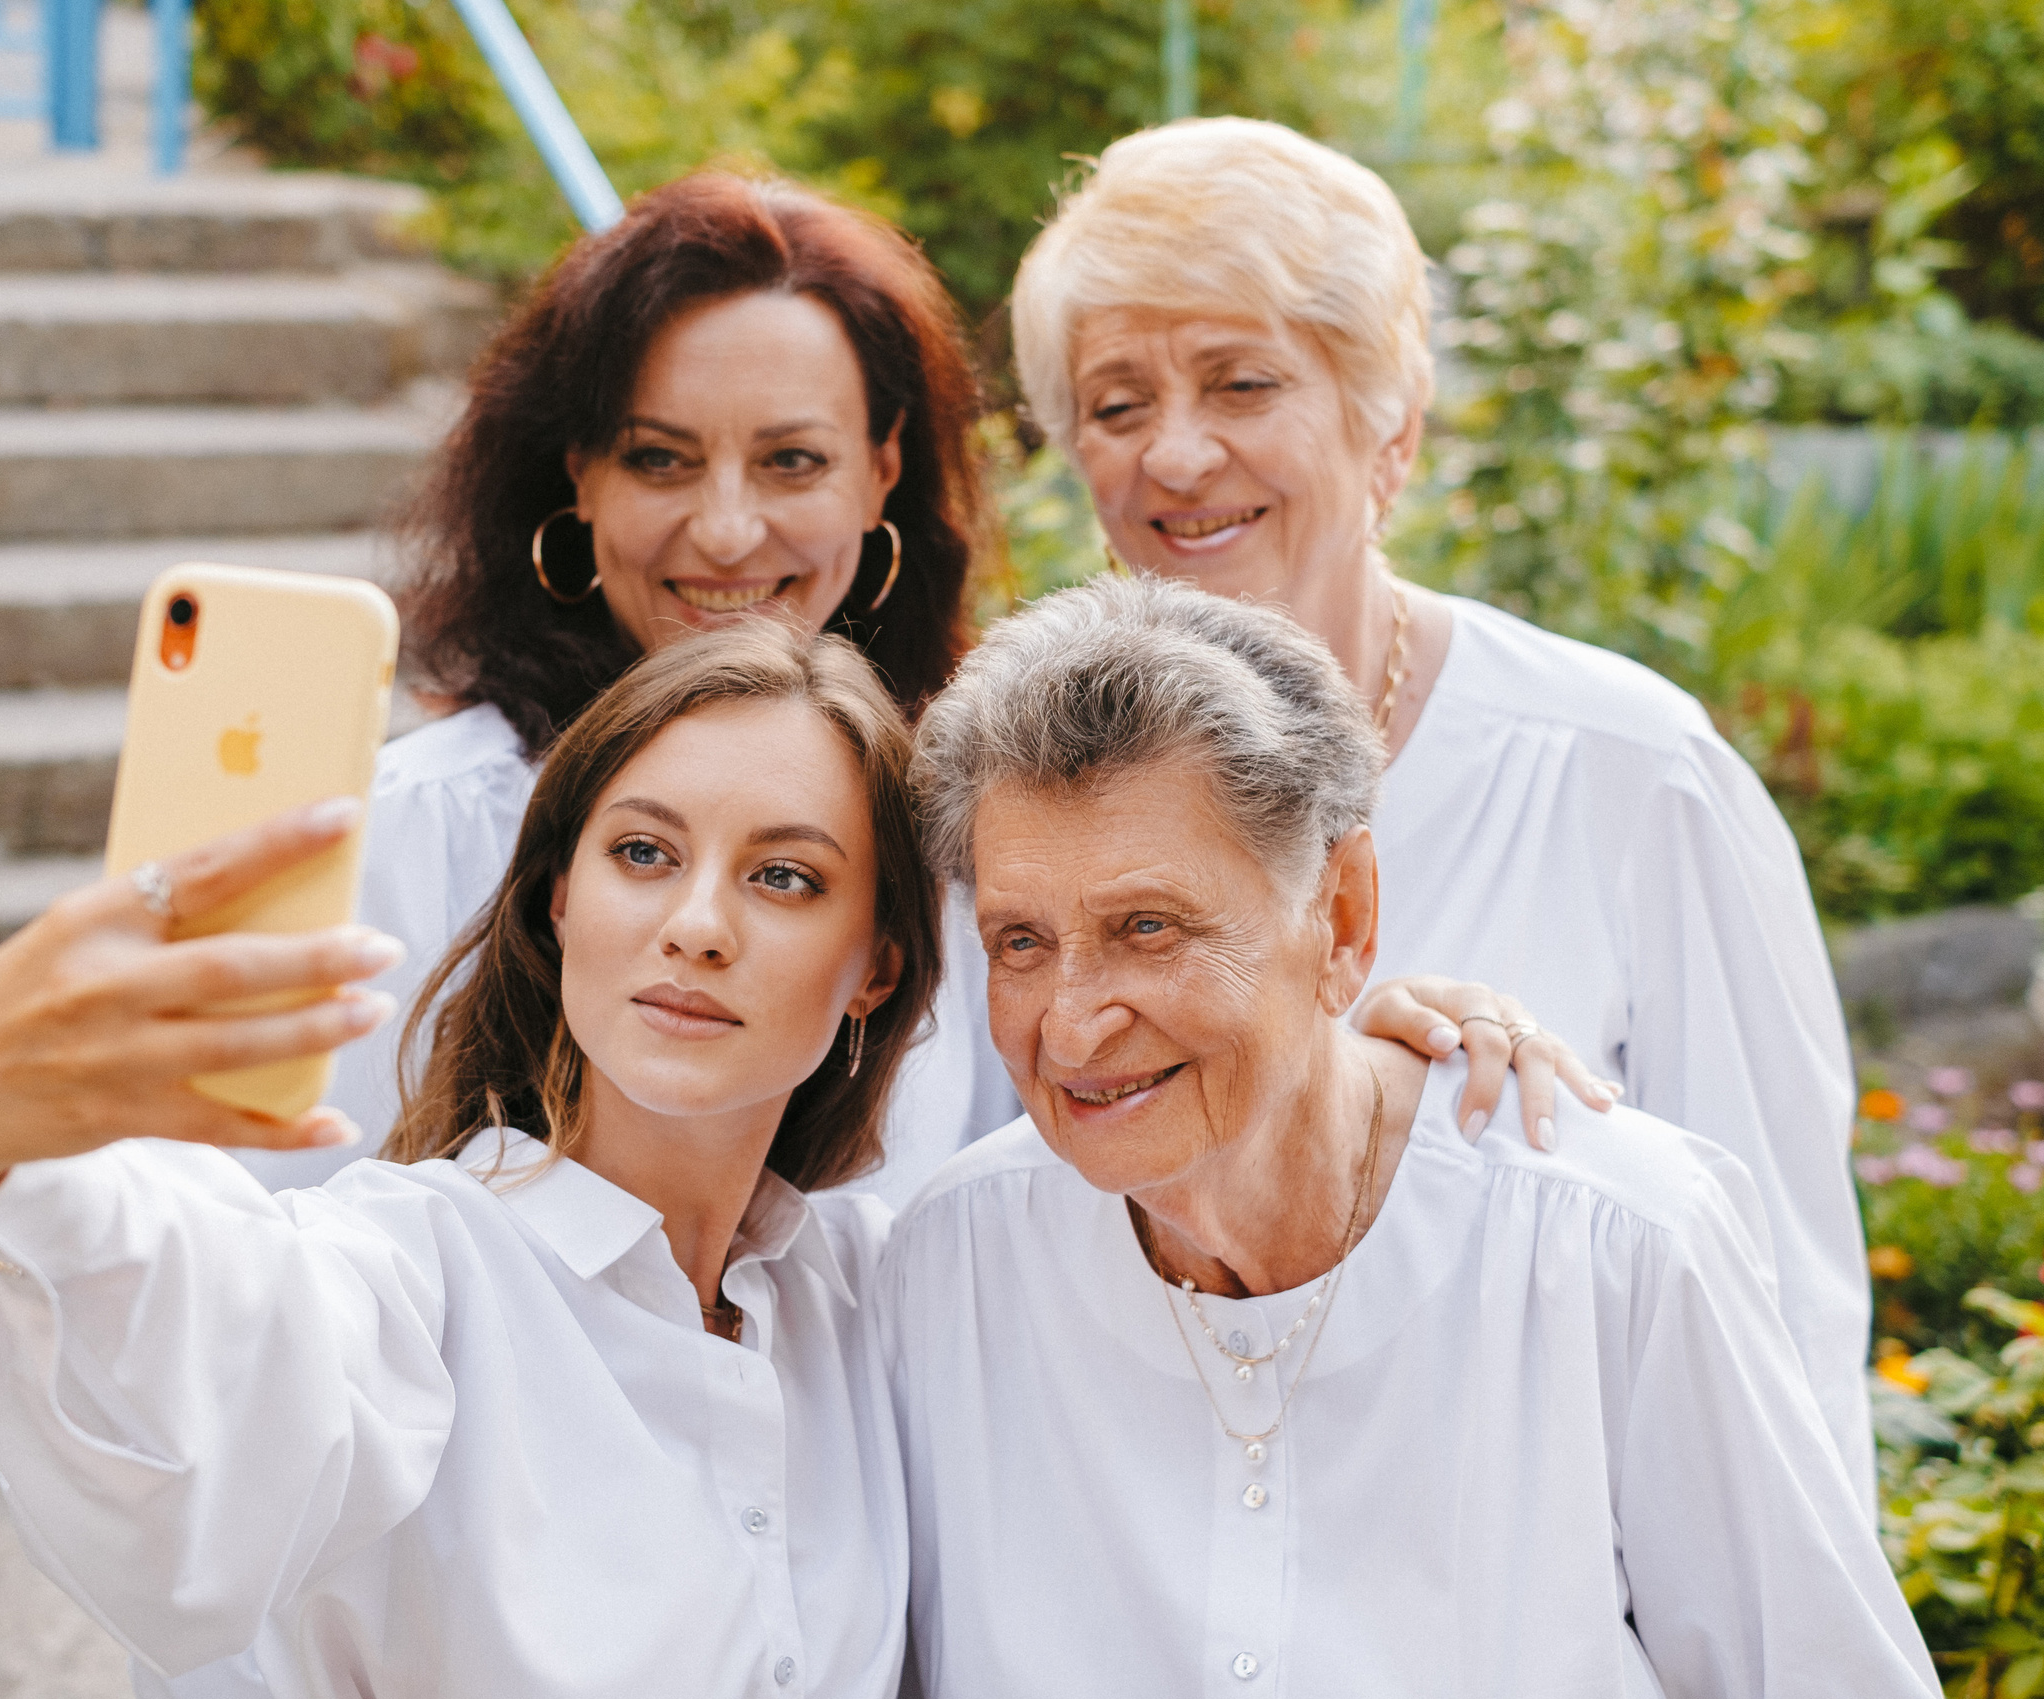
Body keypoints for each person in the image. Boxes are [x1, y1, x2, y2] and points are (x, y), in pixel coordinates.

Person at [314, 167, 1576, 1209]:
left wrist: (1358, 1060)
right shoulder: (419, 829)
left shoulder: (978, 821)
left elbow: (1117, 1157)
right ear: (575, 479)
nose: (727, 530)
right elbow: (277, 1281)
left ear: (881, 476)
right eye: (660, 459)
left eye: (791, 460)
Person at [1009, 115, 1874, 1490]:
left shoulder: (1626, 771)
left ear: (1387, 428)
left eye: (1241, 383)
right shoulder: (1019, 806)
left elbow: (1788, 1307)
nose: (1173, 455)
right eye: (1118, 404)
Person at [883, 577, 1937, 1699]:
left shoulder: (1611, 1249)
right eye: (1022, 941)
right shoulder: (949, 1272)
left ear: (1341, 919)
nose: (1073, 1020)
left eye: (1149, 928)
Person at [0, 625, 932, 1699]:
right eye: (643, 853)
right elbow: (224, 1351)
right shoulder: (418, 1270)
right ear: (558, 899)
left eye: (786, 876)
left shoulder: (879, 1294)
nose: (697, 926)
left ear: (877, 968)